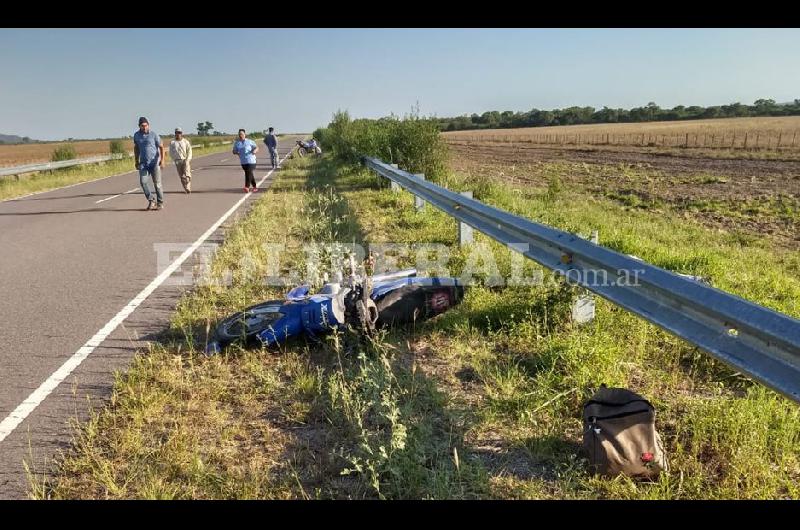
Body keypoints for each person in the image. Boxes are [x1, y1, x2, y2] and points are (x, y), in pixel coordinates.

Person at [133, 117, 165, 210]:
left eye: (146, 125)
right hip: (143, 164)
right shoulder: (136, 135)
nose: (144, 127)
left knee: (157, 184)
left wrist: (162, 160)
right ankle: (151, 200)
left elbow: (162, 147)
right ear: (139, 126)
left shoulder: (153, 135)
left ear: (148, 125)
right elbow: (136, 148)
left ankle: (160, 202)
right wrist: (136, 160)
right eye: (142, 126)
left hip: (154, 163)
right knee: (143, 182)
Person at [169, 127, 193, 193]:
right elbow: (171, 152)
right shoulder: (172, 142)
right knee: (182, 176)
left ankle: (188, 186)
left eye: (179, 133)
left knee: (187, 174)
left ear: (181, 133)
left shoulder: (185, 142)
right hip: (177, 161)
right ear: (175, 134)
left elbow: (189, 151)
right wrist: (174, 159)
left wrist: (188, 159)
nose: (178, 134)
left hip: (185, 160)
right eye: (176, 133)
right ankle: (186, 188)